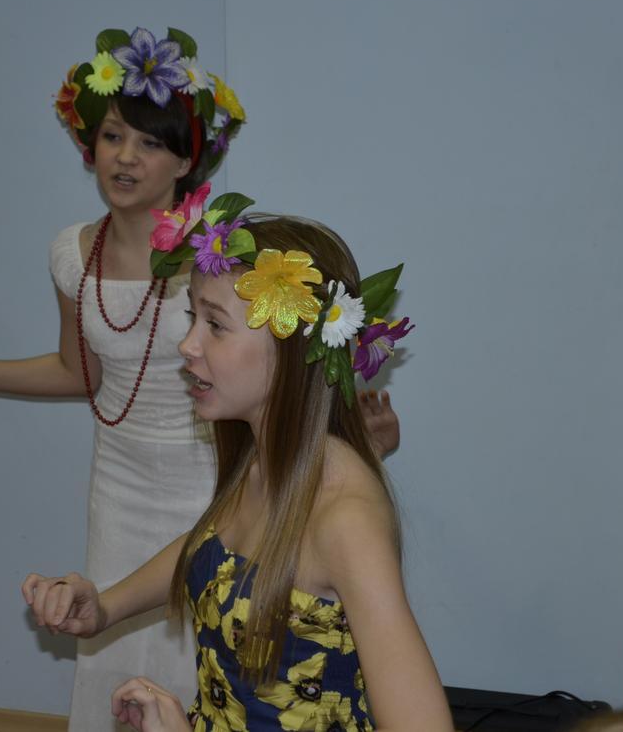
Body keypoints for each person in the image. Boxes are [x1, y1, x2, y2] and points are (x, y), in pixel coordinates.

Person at [22, 205, 449, 731]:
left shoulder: (347, 521)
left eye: (216, 326)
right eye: (192, 318)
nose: (187, 345)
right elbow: (214, 549)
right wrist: (105, 608)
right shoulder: (263, 460)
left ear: (290, 347)